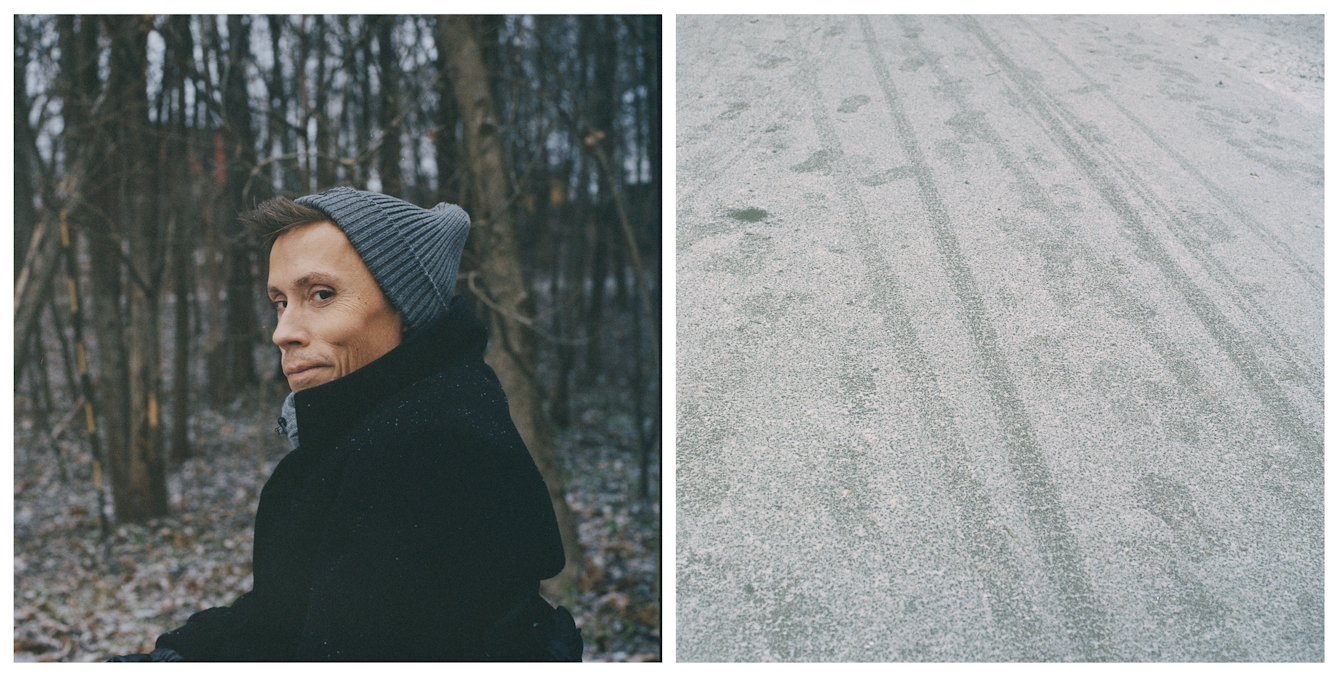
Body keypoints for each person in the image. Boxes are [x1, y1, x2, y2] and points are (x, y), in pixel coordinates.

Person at [109, 187, 580, 661]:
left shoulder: (426, 451)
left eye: (321, 295)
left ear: (406, 306)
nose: (282, 332)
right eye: (280, 302)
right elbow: (290, 615)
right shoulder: (383, 424)